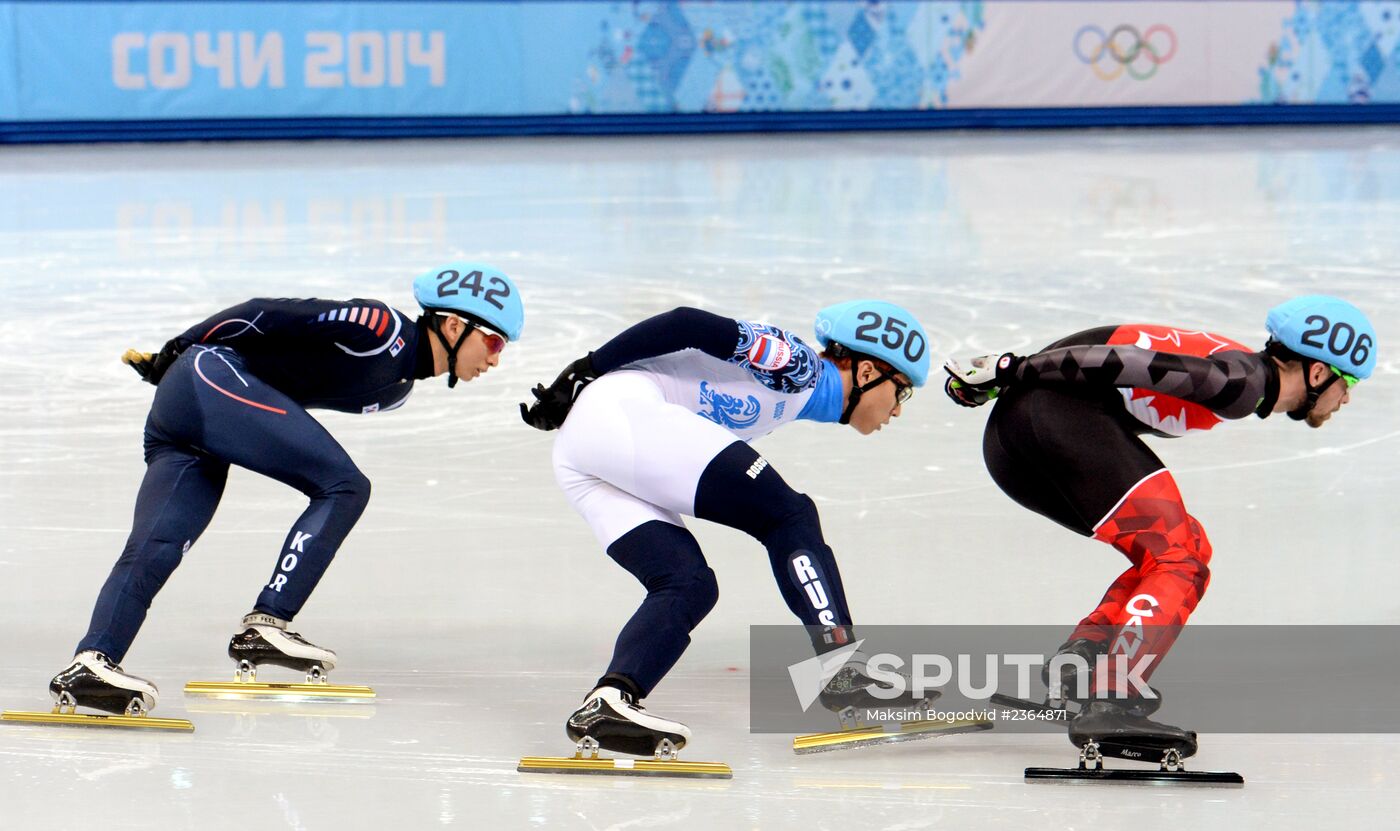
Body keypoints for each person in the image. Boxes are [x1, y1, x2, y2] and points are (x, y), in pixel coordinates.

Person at [49, 263, 523, 717]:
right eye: (495, 341)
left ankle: (92, 662)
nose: (496, 359)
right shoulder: (381, 328)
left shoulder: (396, 388)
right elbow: (263, 313)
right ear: (456, 325)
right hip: (208, 376)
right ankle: (268, 622)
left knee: (160, 544)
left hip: (195, 413)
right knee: (345, 487)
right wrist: (179, 348)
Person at [944, 294, 1376, 760]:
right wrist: (1012, 369)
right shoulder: (1241, 382)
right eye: (1348, 381)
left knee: (1185, 544)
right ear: (1317, 373)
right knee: (1181, 559)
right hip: (1051, 421)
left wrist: (1016, 378)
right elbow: (1124, 363)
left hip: (1015, 444)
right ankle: (1112, 697)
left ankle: (1084, 657)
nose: (1347, 396)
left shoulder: (1242, 374)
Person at [520, 301, 931, 757]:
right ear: (870, 371)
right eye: (903, 391)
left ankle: (610, 700)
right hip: (622, 415)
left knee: (686, 584)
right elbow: (686, 323)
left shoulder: (793, 396)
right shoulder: (798, 367)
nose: (897, 411)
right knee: (789, 517)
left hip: (581, 452)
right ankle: (845, 674)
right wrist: (584, 369)